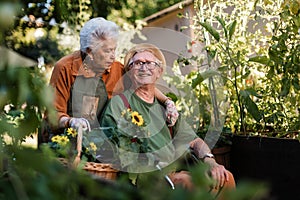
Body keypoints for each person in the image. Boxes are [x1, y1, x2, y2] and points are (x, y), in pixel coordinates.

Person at [100, 43, 235, 196]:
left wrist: (211, 162)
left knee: (226, 178)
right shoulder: (119, 104)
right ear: (129, 73)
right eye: (137, 63)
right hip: (145, 178)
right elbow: (111, 148)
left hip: (175, 172)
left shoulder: (166, 109)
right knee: (187, 183)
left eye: (150, 63)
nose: (144, 67)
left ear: (159, 72)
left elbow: (194, 141)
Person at [39, 18, 178, 144]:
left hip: (101, 143)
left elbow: (143, 86)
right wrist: (71, 122)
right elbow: (53, 114)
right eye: (107, 51)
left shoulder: (117, 69)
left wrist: (167, 102)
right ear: (89, 52)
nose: (113, 56)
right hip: (63, 141)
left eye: (114, 50)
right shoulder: (65, 68)